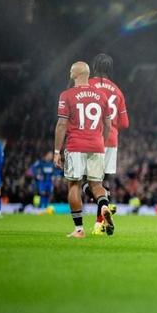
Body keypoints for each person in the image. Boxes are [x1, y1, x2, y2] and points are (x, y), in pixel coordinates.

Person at [54, 61, 114, 238]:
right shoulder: (101, 95)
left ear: (78, 74)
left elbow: (62, 124)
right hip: (97, 145)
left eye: (71, 70)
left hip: (75, 146)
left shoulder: (67, 95)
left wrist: (57, 151)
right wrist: (101, 142)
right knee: (96, 184)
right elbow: (108, 125)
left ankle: (79, 229)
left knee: (74, 184)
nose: (69, 72)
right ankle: (103, 206)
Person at [86, 53, 129, 235]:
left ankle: (103, 205)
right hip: (111, 139)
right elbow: (125, 123)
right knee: (105, 181)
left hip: (92, 138)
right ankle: (99, 224)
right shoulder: (117, 91)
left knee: (86, 181)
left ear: (94, 67)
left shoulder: (88, 86)